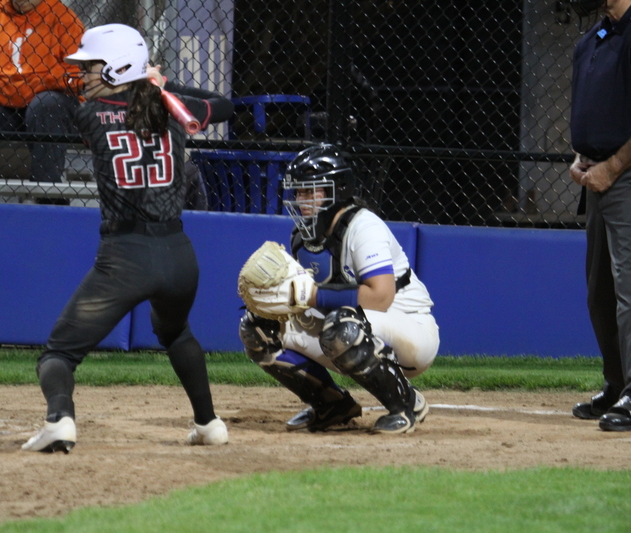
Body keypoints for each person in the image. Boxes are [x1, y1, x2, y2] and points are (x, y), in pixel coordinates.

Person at [22, 24, 234, 452]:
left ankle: (59, 420)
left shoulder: (87, 115)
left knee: (58, 354)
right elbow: (223, 105)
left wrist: (148, 84)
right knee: (175, 333)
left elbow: (74, 111)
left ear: (118, 69)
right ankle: (209, 424)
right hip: (179, 257)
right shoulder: (172, 107)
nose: (82, 75)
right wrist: (164, 84)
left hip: (125, 258)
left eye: (91, 67)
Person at [239, 144, 439, 434]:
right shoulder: (303, 237)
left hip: (410, 330)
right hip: (354, 324)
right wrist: (280, 302)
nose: (302, 200)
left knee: (342, 326)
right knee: (257, 329)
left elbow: (381, 297)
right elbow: (306, 300)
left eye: (311, 192)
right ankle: (331, 405)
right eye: (299, 192)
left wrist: (311, 297)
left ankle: (407, 403)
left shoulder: (363, 226)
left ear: (337, 190)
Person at [0, 0, 84, 203]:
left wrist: (35, 84)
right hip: (2, 106)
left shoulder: (64, 18)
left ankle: (47, 195)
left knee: (46, 105)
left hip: (50, 104)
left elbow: (77, 74)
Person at [569, 0, 631, 431]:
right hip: (594, 176)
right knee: (600, 292)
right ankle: (618, 383)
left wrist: (612, 166)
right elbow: (591, 111)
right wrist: (580, 157)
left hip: (624, 177)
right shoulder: (595, 36)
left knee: (630, 288)